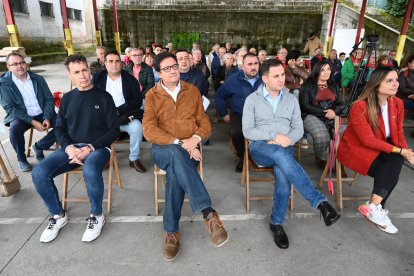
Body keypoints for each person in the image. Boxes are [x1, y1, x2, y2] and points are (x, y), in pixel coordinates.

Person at [243, 59, 340, 249]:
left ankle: (276, 223)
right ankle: (319, 203)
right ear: (264, 78)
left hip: (285, 146)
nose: (282, 79)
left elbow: (298, 128)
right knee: (281, 156)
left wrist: (288, 139)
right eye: (276, 76)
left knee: (282, 174)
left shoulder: (291, 99)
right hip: (260, 147)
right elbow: (248, 131)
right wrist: (274, 135)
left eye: (282, 75)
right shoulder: (252, 100)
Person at [143, 51, 228, 261]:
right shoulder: (152, 96)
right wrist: (182, 143)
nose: (173, 70)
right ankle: (208, 213)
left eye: (174, 66)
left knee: (174, 173)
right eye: (167, 68)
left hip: (189, 149)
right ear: (158, 72)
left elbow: (205, 122)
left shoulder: (192, 91)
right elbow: (149, 130)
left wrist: (196, 138)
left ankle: (171, 232)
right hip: (163, 149)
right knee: (174, 153)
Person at [31, 54, 120, 243]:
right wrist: (69, 147)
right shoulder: (68, 99)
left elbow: (114, 131)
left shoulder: (104, 97)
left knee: (89, 169)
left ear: (90, 70)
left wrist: (90, 147)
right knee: (39, 172)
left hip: (98, 148)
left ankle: (97, 215)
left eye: (85, 70)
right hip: (72, 149)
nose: (82, 75)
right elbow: (60, 129)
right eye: (77, 72)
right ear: (70, 75)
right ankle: (58, 215)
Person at [338, 67, 414, 234]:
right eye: (389, 81)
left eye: (396, 80)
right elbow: (367, 140)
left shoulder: (397, 103)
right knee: (393, 163)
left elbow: (399, 132)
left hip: (381, 148)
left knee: (395, 160)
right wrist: (399, 151)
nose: (395, 84)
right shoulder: (360, 106)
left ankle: (373, 206)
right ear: (376, 84)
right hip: (357, 150)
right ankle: (376, 207)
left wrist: (407, 152)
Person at [0, 52, 57, 172]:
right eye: (14, 64)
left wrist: (47, 117)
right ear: (8, 67)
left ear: (26, 64)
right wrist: (32, 121)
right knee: (14, 130)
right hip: (21, 115)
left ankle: (39, 145)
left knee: (65, 123)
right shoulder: (4, 84)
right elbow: (10, 108)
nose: (19, 66)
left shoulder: (38, 79)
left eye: (21, 62)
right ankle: (21, 158)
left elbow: (49, 99)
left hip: (41, 112)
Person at [93, 50, 146, 173]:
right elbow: (92, 98)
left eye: (117, 61)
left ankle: (134, 158)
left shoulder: (131, 80)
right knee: (92, 126)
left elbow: (137, 101)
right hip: (103, 118)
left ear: (121, 64)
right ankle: (103, 158)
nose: (114, 64)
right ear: (105, 63)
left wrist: (118, 110)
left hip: (124, 116)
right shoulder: (97, 78)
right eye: (110, 61)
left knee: (137, 127)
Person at [216, 53, 262, 172]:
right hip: (240, 114)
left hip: (263, 115)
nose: (253, 67)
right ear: (242, 66)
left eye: (256, 63)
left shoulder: (265, 78)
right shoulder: (233, 80)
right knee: (236, 132)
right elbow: (219, 95)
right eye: (250, 64)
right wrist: (224, 114)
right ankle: (243, 156)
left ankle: (262, 154)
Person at [299, 61, 345, 168]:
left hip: (332, 114)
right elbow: (305, 105)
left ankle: (339, 160)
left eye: (328, 69)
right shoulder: (307, 85)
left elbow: (341, 104)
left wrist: (333, 111)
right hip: (311, 114)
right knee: (321, 136)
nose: (326, 72)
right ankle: (322, 158)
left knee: (344, 135)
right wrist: (324, 113)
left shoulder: (334, 85)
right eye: (322, 70)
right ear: (317, 71)